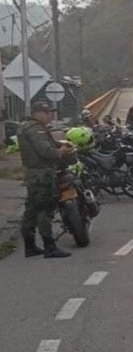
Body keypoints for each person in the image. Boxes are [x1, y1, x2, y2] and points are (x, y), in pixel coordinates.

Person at [18, 102, 72, 258]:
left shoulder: (25, 126)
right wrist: (60, 151)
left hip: (33, 174)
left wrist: (59, 144)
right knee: (45, 209)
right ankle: (49, 246)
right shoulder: (36, 129)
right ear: (38, 113)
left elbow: (48, 144)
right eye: (47, 113)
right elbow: (46, 151)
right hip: (43, 175)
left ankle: (30, 246)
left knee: (31, 209)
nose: (50, 116)